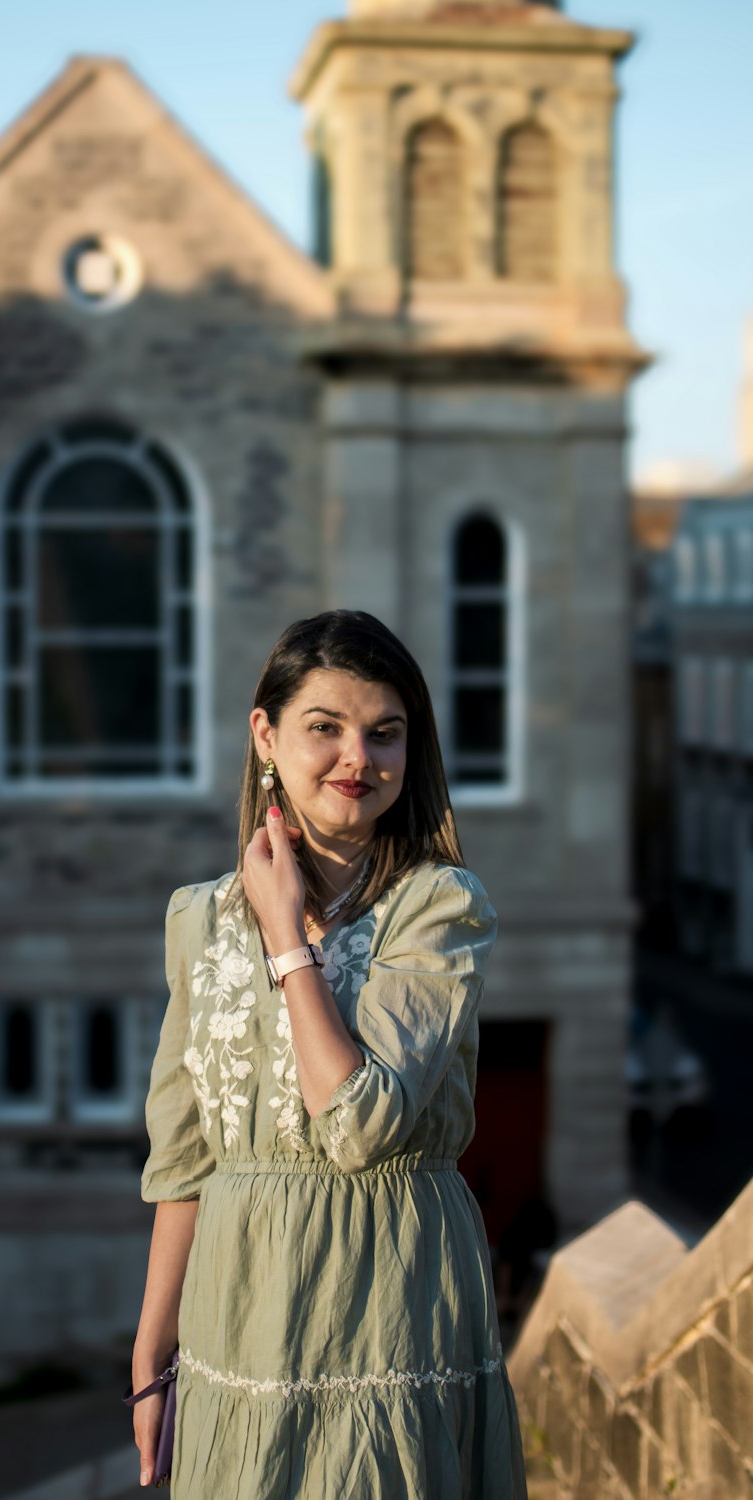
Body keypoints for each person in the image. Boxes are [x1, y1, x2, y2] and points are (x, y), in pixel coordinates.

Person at [130, 610, 528, 1499]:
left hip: (390, 1301)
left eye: (385, 734)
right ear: (266, 736)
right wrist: (151, 1351)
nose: (359, 758)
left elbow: (360, 1124)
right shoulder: (196, 918)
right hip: (241, 1310)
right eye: (327, 728)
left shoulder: (440, 908)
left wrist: (284, 937)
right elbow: (185, 1157)